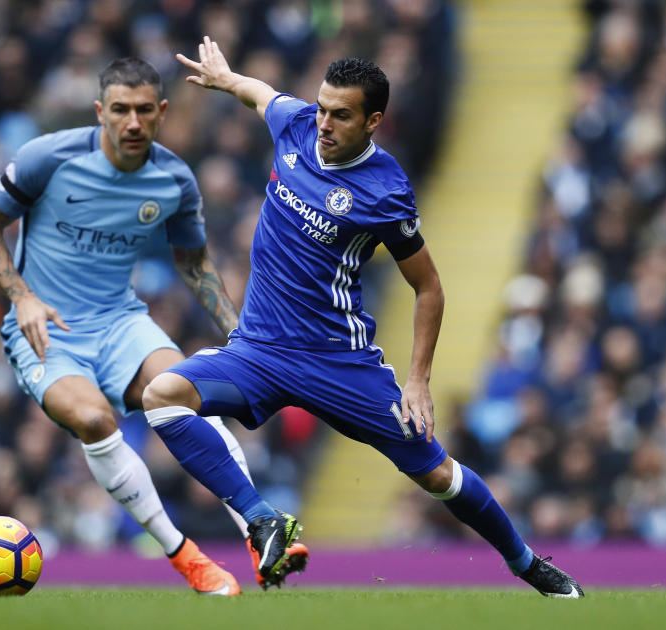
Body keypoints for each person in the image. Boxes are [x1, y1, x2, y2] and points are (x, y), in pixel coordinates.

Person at [143, 36, 585, 598]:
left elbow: (428, 288)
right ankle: (262, 520)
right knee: (162, 398)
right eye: (322, 108)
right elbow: (263, 95)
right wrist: (228, 79)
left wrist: (419, 380)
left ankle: (527, 565)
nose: (324, 123)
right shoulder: (296, 125)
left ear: (373, 120)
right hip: (259, 349)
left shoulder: (385, 191)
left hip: (337, 362)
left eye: (341, 115)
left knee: (437, 476)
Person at [0, 57, 306, 595]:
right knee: (95, 420)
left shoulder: (172, 179)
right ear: (101, 111)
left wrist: (241, 335)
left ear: (161, 112)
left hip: (121, 320)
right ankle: (184, 555)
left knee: (180, 393)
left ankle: (258, 527)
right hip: (47, 329)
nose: (132, 122)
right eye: (120, 110)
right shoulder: (47, 158)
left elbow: (193, 264)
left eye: (145, 110)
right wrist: (21, 296)